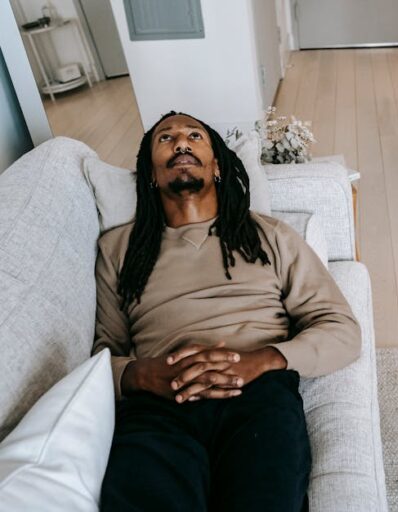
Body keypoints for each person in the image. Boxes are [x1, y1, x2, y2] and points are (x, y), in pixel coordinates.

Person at [93, 111, 361, 511]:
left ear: (217, 165)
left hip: (257, 395)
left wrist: (264, 361)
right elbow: (103, 354)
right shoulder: (119, 249)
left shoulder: (269, 235)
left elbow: (341, 330)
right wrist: (142, 373)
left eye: (194, 136)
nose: (181, 143)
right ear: (150, 174)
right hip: (160, 404)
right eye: (165, 139)